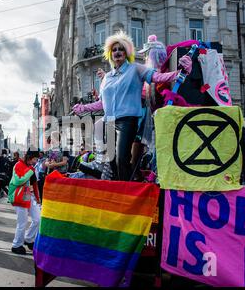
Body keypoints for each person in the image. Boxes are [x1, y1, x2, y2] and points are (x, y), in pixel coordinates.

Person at [72, 31, 192, 181]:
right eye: (114, 50)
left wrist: (180, 73)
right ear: (110, 54)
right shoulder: (107, 77)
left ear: (126, 52)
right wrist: (83, 108)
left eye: (121, 49)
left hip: (127, 121)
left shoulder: (135, 69)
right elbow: (102, 103)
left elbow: (157, 77)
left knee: (122, 159)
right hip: (109, 122)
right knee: (111, 162)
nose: (117, 52)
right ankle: (117, 188)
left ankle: (126, 193)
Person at [8, 149, 41, 255]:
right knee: (22, 223)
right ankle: (16, 245)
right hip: (20, 196)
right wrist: (30, 170)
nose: (36, 161)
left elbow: (34, 183)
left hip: (30, 196)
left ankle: (29, 239)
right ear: (30, 157)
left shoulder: (31, 167)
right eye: (35, 159)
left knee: (38, 219)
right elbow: (18, 180)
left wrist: (37, 197)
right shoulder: (18, 165)